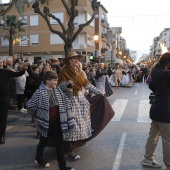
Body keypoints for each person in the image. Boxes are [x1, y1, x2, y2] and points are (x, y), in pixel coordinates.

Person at [58, 52, 115, 161]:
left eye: (77, 59)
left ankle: (78, 142)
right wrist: (66, 84)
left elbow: (86, 84)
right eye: (74, 59)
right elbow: (59, 87)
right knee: (72, 123)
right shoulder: (64, 71)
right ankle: (69, 149)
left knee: (81, 123)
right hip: (71, 100)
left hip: (80, 99)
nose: (77, 60)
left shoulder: (79, 72)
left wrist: (98, 92)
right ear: (69, 60)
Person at [27, 71, 75, 170]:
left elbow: (67, 100)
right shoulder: (39, 92)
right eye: (54, 80)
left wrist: (70, 90)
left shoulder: (57, 90)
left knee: (60, 144)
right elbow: (30, 106)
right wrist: (39, 115)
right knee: (43, 141)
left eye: (57, 80)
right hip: (45, 122)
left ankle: (62, 166)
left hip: (57, 122)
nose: (56, 82)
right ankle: (39, 158)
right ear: (47, 80)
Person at [142, 52, 170, 169]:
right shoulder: (167, 74)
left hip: (156, 109)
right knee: (168, 140)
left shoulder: (154, 73)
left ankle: (148, 158)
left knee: (153, 136)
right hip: (166, 111)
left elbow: (152, 87)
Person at [0, 57, 27, 144]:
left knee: (3, 118)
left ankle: (2, 136)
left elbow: (18, 74)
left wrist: (24, 69)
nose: (0, 63)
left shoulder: (6, 72)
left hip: (4, 99)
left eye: (0, 62)